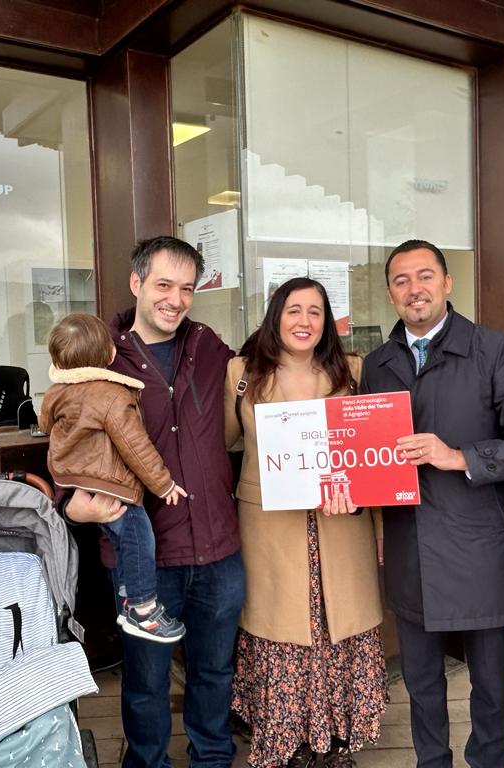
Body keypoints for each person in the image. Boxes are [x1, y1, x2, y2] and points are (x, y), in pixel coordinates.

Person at [360, 239, 504, 768]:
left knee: (490, 683)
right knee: (421, 682)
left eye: (425, 276)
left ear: (448, 284)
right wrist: (351, 490)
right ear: (389, 293)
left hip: (479, 544)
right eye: (401, 280)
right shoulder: (377, 365)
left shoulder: (495, 350)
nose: (414, 289)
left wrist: (460, 457)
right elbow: (367, 459)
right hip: (410, 546)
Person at [62, 236, 244, 768]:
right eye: (164, 285)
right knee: (146, 682)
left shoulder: (209, 345)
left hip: (218, 548)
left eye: (187, 288)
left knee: (215, 672)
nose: (176, 299)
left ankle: (213, 760)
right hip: (146, 559)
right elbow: (70, 439)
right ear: (136, 283)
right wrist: (71, 503)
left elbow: (269, 376)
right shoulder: (100, 357)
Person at [224, 277, 387, 768]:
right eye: (294, 310)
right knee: (282, 630)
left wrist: (370, 517)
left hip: (342, 526)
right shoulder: (241, 373)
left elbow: (371, 453)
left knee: (338, 626)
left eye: (315, 312)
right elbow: (227, 444)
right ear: (276, 316)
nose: (304, 321)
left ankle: (338, 739)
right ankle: (286, 741)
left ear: (327, 321)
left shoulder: (354, 371)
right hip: (269, 528)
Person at [40, 312, 187, 643]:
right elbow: (136, 448)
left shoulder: (56, 392)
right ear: (109, 354)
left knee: (122, 540)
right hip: (110, 483)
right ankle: (143, 610)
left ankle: (127, 589)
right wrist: (163, 484)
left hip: (76, 482)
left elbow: (47, 424)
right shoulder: (112, 395)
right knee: (138, 537)